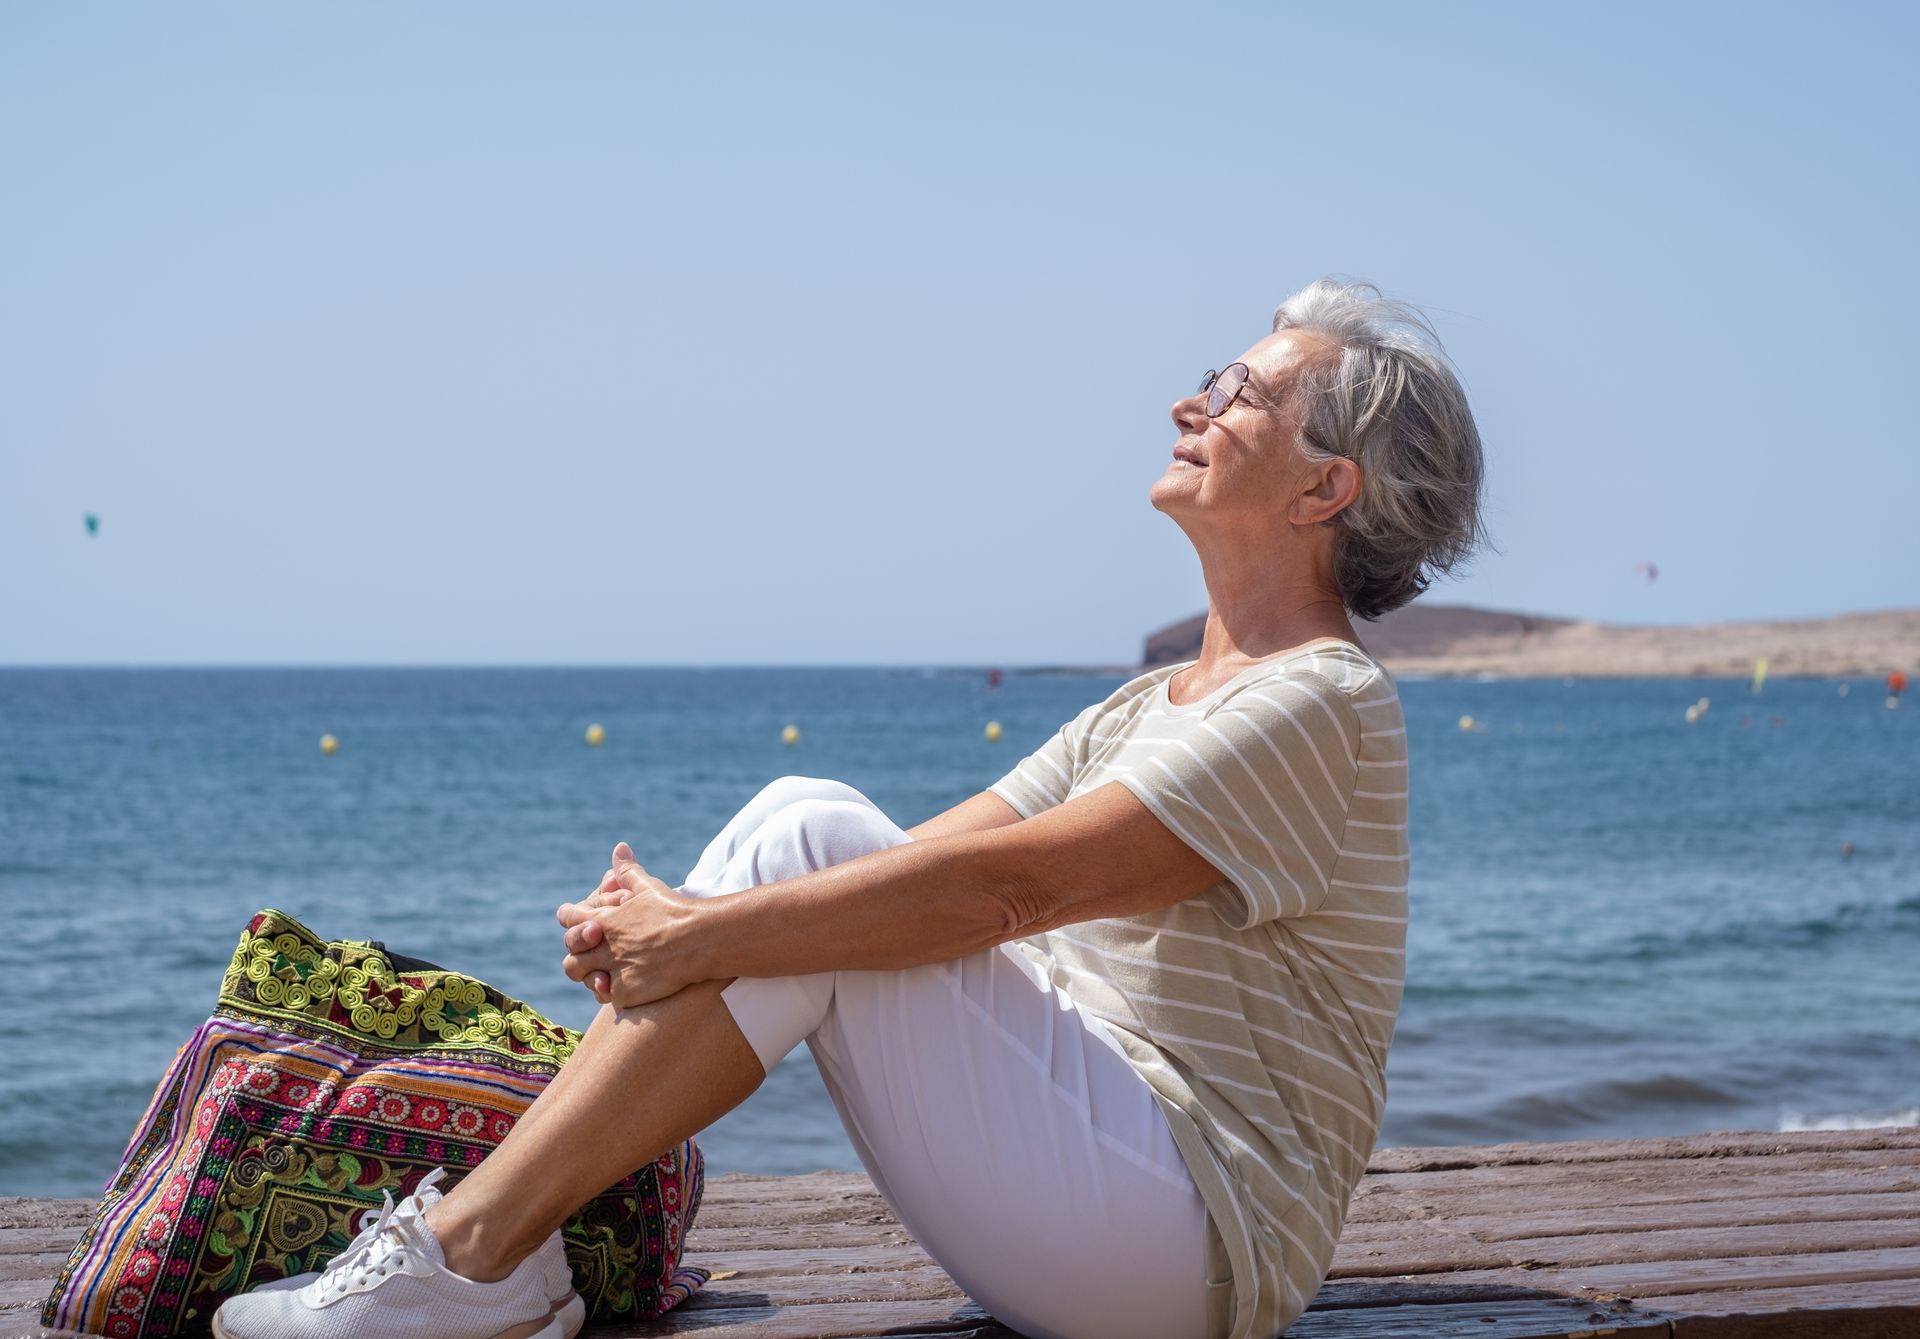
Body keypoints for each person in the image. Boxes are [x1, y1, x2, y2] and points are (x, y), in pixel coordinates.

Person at [213, 278, 1488, 1339]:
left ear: (1326, 493)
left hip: (1195, 1245)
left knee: (805, 835)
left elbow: (1008, 894)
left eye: (1242, 393)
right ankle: (491, 1252)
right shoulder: (1156, 702)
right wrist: (688, 919)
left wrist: (702, 936)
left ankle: (470, 1258)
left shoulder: (1322, 701)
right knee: (804, 842)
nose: (1189, 401)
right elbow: (928, 861)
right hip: (1108, 1193)